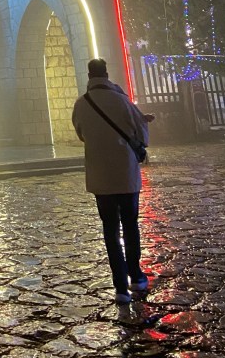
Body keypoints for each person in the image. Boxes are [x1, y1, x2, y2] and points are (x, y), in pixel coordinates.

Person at [71, 58, 153, 305]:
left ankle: (120, 287)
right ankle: (136, 276)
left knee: (110, 230)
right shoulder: (122, 100)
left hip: (100, 176)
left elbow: (81, 133)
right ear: (107, 74)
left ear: (89, 76)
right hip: (125, 173)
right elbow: (141, 135)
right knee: (130, 225)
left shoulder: (81, 104)